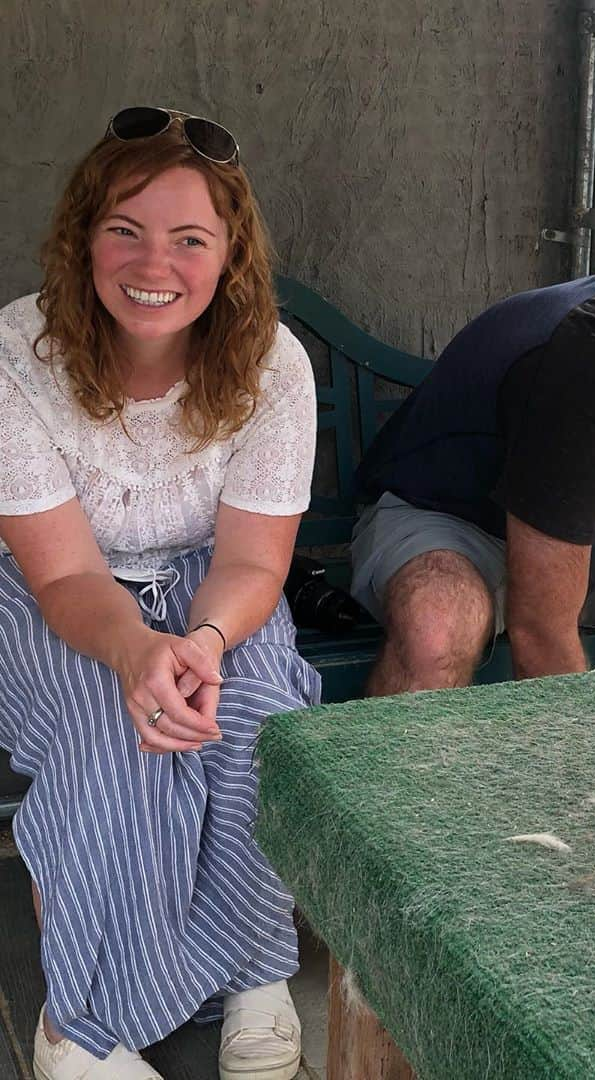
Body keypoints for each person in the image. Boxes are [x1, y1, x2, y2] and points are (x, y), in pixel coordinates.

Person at [0, 107, 319, 1080]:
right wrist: (137, 650)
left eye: (190, 239)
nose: (156, 263)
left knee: (258, 713)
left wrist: (206, 641)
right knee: (111, 727)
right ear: (82, 239)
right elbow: (60, 573)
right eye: (125, 231)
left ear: (229, 257)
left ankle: (259, 975)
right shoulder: (17, 355)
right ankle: (79, 1026)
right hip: (58, 586)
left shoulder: (273, 365)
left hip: (212, 582)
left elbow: (254, 565)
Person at [351, 249, 595, 695]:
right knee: (436, 629)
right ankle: (391, 768)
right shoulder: (584, 362)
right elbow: (539, 634)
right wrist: (580, 760)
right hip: (441, 514)